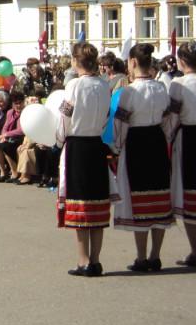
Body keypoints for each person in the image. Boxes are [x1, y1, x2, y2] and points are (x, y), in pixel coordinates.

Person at [113, 43, 174, 271]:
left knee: (138, 196)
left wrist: (117, 147)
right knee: (159, 195)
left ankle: (141, 257)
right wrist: (166, 139)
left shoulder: (129, 91)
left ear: (133, 62)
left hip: (137, 143)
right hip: (157, 142)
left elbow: (120, 124)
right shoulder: (160, 88)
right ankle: (155, 255)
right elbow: (168, 120)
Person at [56, 42, 112, 277]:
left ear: (76, 61)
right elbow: (106, 116)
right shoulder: (103, 85)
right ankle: (96, 260)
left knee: (79, 204)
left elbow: (64, 118)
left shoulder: (74, 86)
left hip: (78, 146)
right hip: (96, 145)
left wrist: (58, 140)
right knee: (97, 203)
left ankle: (83, 260)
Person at [169, 41, 196, 268]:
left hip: (189, 138)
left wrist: (167, 137)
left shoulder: (178, 85)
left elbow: (172, 118)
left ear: (182, 61)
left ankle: (195, 250)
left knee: (190, 195)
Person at [0, 91, 26, 182]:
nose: (18, 106)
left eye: (20, 103)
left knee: (4, 145)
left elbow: (21, 130)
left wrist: (6, 135)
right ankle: (3, 172)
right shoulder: (10, 112)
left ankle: (15, 172)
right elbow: (5, 126)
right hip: (11, 137)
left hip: (22, 137)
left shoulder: (25, 112)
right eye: (15, 104)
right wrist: (3, 135)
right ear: (12, 104)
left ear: (23, 103)